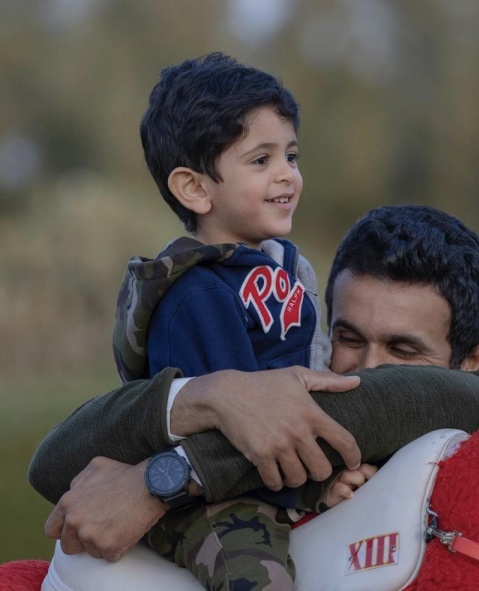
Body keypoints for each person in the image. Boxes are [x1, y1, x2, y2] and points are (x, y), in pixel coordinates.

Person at [29, 205, 479, 571]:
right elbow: (53, 465)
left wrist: (165, 478)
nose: (366, 368)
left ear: (473, 361)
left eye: (404, 351)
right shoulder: (276, 377)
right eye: (348, 337)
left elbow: (384, 401)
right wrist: (207, 395)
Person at [109, 53, 374, 590]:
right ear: (195, 189)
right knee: (254, 571)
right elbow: (244, 430)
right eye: (260, 161)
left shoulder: (287, 269)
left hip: (282, 475)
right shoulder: (198, 293)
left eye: (291, 156)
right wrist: (313, 492)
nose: (287, 175)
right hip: (212, 497)